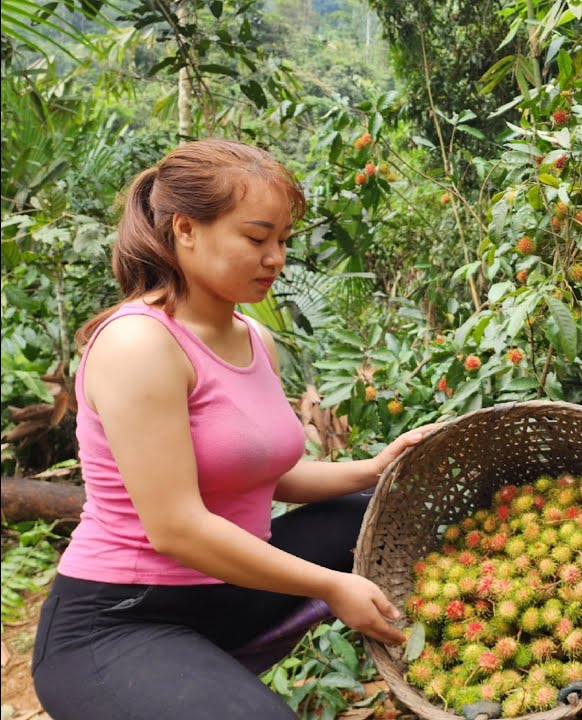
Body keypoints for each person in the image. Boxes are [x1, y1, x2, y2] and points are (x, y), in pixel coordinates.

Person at [31, 139, 426, 719]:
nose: (276, 259)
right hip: (121, 619)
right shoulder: (139, 344)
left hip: (228, 594)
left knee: (385, 512)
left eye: (283, 241)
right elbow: (178, 529)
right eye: (256, 237)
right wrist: (331, 585)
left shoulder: (254, 339)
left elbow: (271, 472)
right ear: (186, 230)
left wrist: (373, 468)